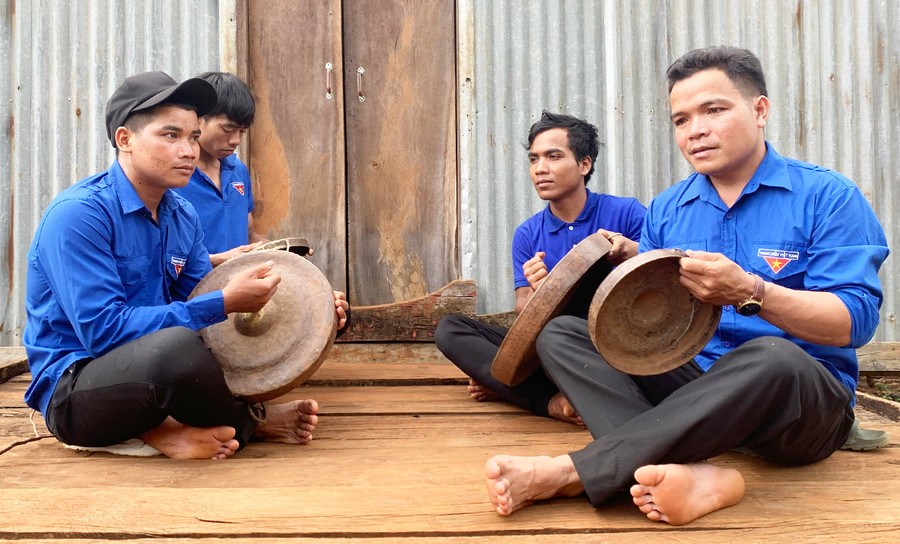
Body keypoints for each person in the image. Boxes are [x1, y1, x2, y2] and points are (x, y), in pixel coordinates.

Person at [483, 46, 889, 525]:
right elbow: (639, 328)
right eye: (680, 119)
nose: (695, 130)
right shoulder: (668, 209)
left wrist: (750, 293)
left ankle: (576, 471)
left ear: (759, 110)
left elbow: (855, 323)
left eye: (714, 110)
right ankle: (692, 473)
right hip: (695, 387)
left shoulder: (827, 195)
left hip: (800, 408)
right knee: (564, 334)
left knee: (773, 356)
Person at [22, 71, 350, 460]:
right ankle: (250, 424)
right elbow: (103, 333)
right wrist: (222, 302)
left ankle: (162, 430)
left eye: (193, 137)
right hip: (78, 389)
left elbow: (206, 309)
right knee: (178, 347)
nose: (189, 151)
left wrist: (306, 304)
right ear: (124, 140)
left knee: (196, 343)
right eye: (170, 135)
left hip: (152, 371)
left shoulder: (182, 215)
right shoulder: (79, 215)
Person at [434, 112, 646, 424]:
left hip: (614, 348)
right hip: (551, 352)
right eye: (534, 159)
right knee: (450, 329)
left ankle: (510, 387)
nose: (540, 169)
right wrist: (539, 292)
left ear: (584, 164)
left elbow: (664, 270)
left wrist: (630, 251)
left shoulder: (625, 212)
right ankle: (553, 402)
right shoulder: (528, 233)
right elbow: (523, 309)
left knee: (595, 261)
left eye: (553, 156)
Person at [173, 72, 267, 267]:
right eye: (227, 129)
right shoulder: (173, 176)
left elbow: (249, 235)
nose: (236, 141)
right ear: (198, 120)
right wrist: (217, 260)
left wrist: (284, 252)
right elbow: (158, 258)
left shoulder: (238, 171)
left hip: (239, 290)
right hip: (192, 293)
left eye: (242, 132)